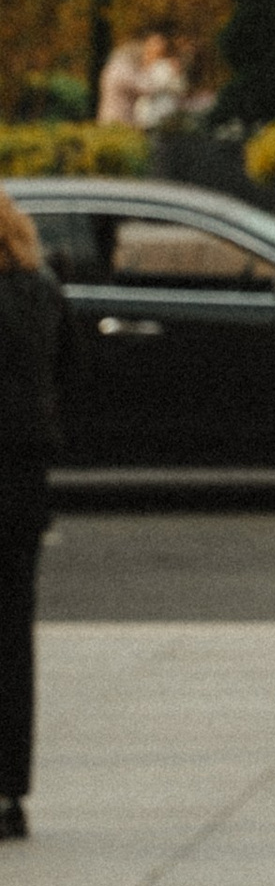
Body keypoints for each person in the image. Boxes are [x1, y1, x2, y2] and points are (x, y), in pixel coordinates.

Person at [0, 189, 68, 840]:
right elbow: (64, 377)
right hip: (23, 484)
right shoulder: (42, 294)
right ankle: (10, 792)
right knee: (14, 641)